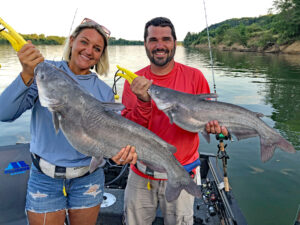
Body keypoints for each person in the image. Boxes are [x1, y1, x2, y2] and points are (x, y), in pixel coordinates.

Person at [0, 18, 137, 225]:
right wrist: (27, 73)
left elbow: (108, 138)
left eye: (97, 48)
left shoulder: (103, 91)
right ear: (72, 41)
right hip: (44, 178)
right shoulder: (44, 71)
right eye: (84, 42)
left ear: (101, 55)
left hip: (87, 177)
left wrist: (119, 154)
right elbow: (4, 112)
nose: (89, 50)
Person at [122, 17, 228, 225]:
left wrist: (213, 126)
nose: (159, 46)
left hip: (183, 172)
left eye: (166, 39)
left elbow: (207, 119)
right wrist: (144, 103)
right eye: (153, 40)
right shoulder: (133, 82)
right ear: (145, 43)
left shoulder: (195, 76)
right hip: (141, 174)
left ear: (175, 43)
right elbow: (129, 132)